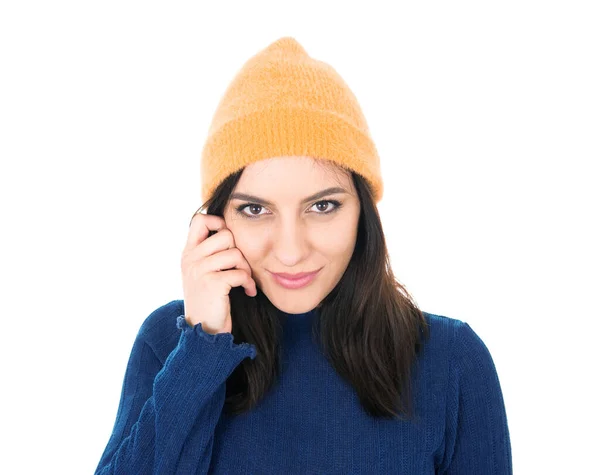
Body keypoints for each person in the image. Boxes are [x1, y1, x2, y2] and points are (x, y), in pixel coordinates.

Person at [94, 36, 513, 474]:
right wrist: (202, 349)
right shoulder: (170, 344)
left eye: (322, 206)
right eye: (255, 210)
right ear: (216, 221)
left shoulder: (451, 362)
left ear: (362, 213)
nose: (291, 252)